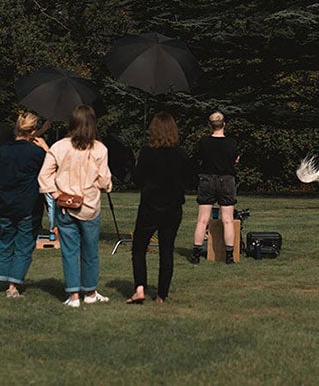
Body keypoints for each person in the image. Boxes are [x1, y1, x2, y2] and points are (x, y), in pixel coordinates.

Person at [38, 105, 112, 308]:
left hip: (64, 206)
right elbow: (105, 181)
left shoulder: (59, 147)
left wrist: (56, 194)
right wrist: (103, 186)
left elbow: (44, 176)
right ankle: (89, 292)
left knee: (69, 252)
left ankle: (73, 297)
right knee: (90, 251)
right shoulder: (99, 148)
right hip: (90, 206)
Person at [126, 112, 193, 305]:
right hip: (172, 208)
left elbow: (137, 180)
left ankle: (139, 288)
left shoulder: (147, 152)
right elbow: (189, 180)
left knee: (139, 247)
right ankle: (161, 295)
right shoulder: (181, 154)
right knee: (166, 250)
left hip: (150, 206)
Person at [0, 113, 49, 297]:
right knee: (24, 245)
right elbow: (54, 167)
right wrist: (45, 147)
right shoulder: (36, 153)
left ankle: (3, 277)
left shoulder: (3, 150)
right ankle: (12, 287)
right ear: (33, 132)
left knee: (5, 242)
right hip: (28, 205)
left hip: (4, 204)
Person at [191, 111, 239, 265]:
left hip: (207, 179)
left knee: (202, 219)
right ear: (224, 124)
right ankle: (229, 255)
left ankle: (196, 254)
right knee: (227, 220)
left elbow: (199, 158)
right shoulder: (231, 143)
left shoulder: (204, 142)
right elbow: (235, 160)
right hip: (226, 179)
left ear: (210, 125)